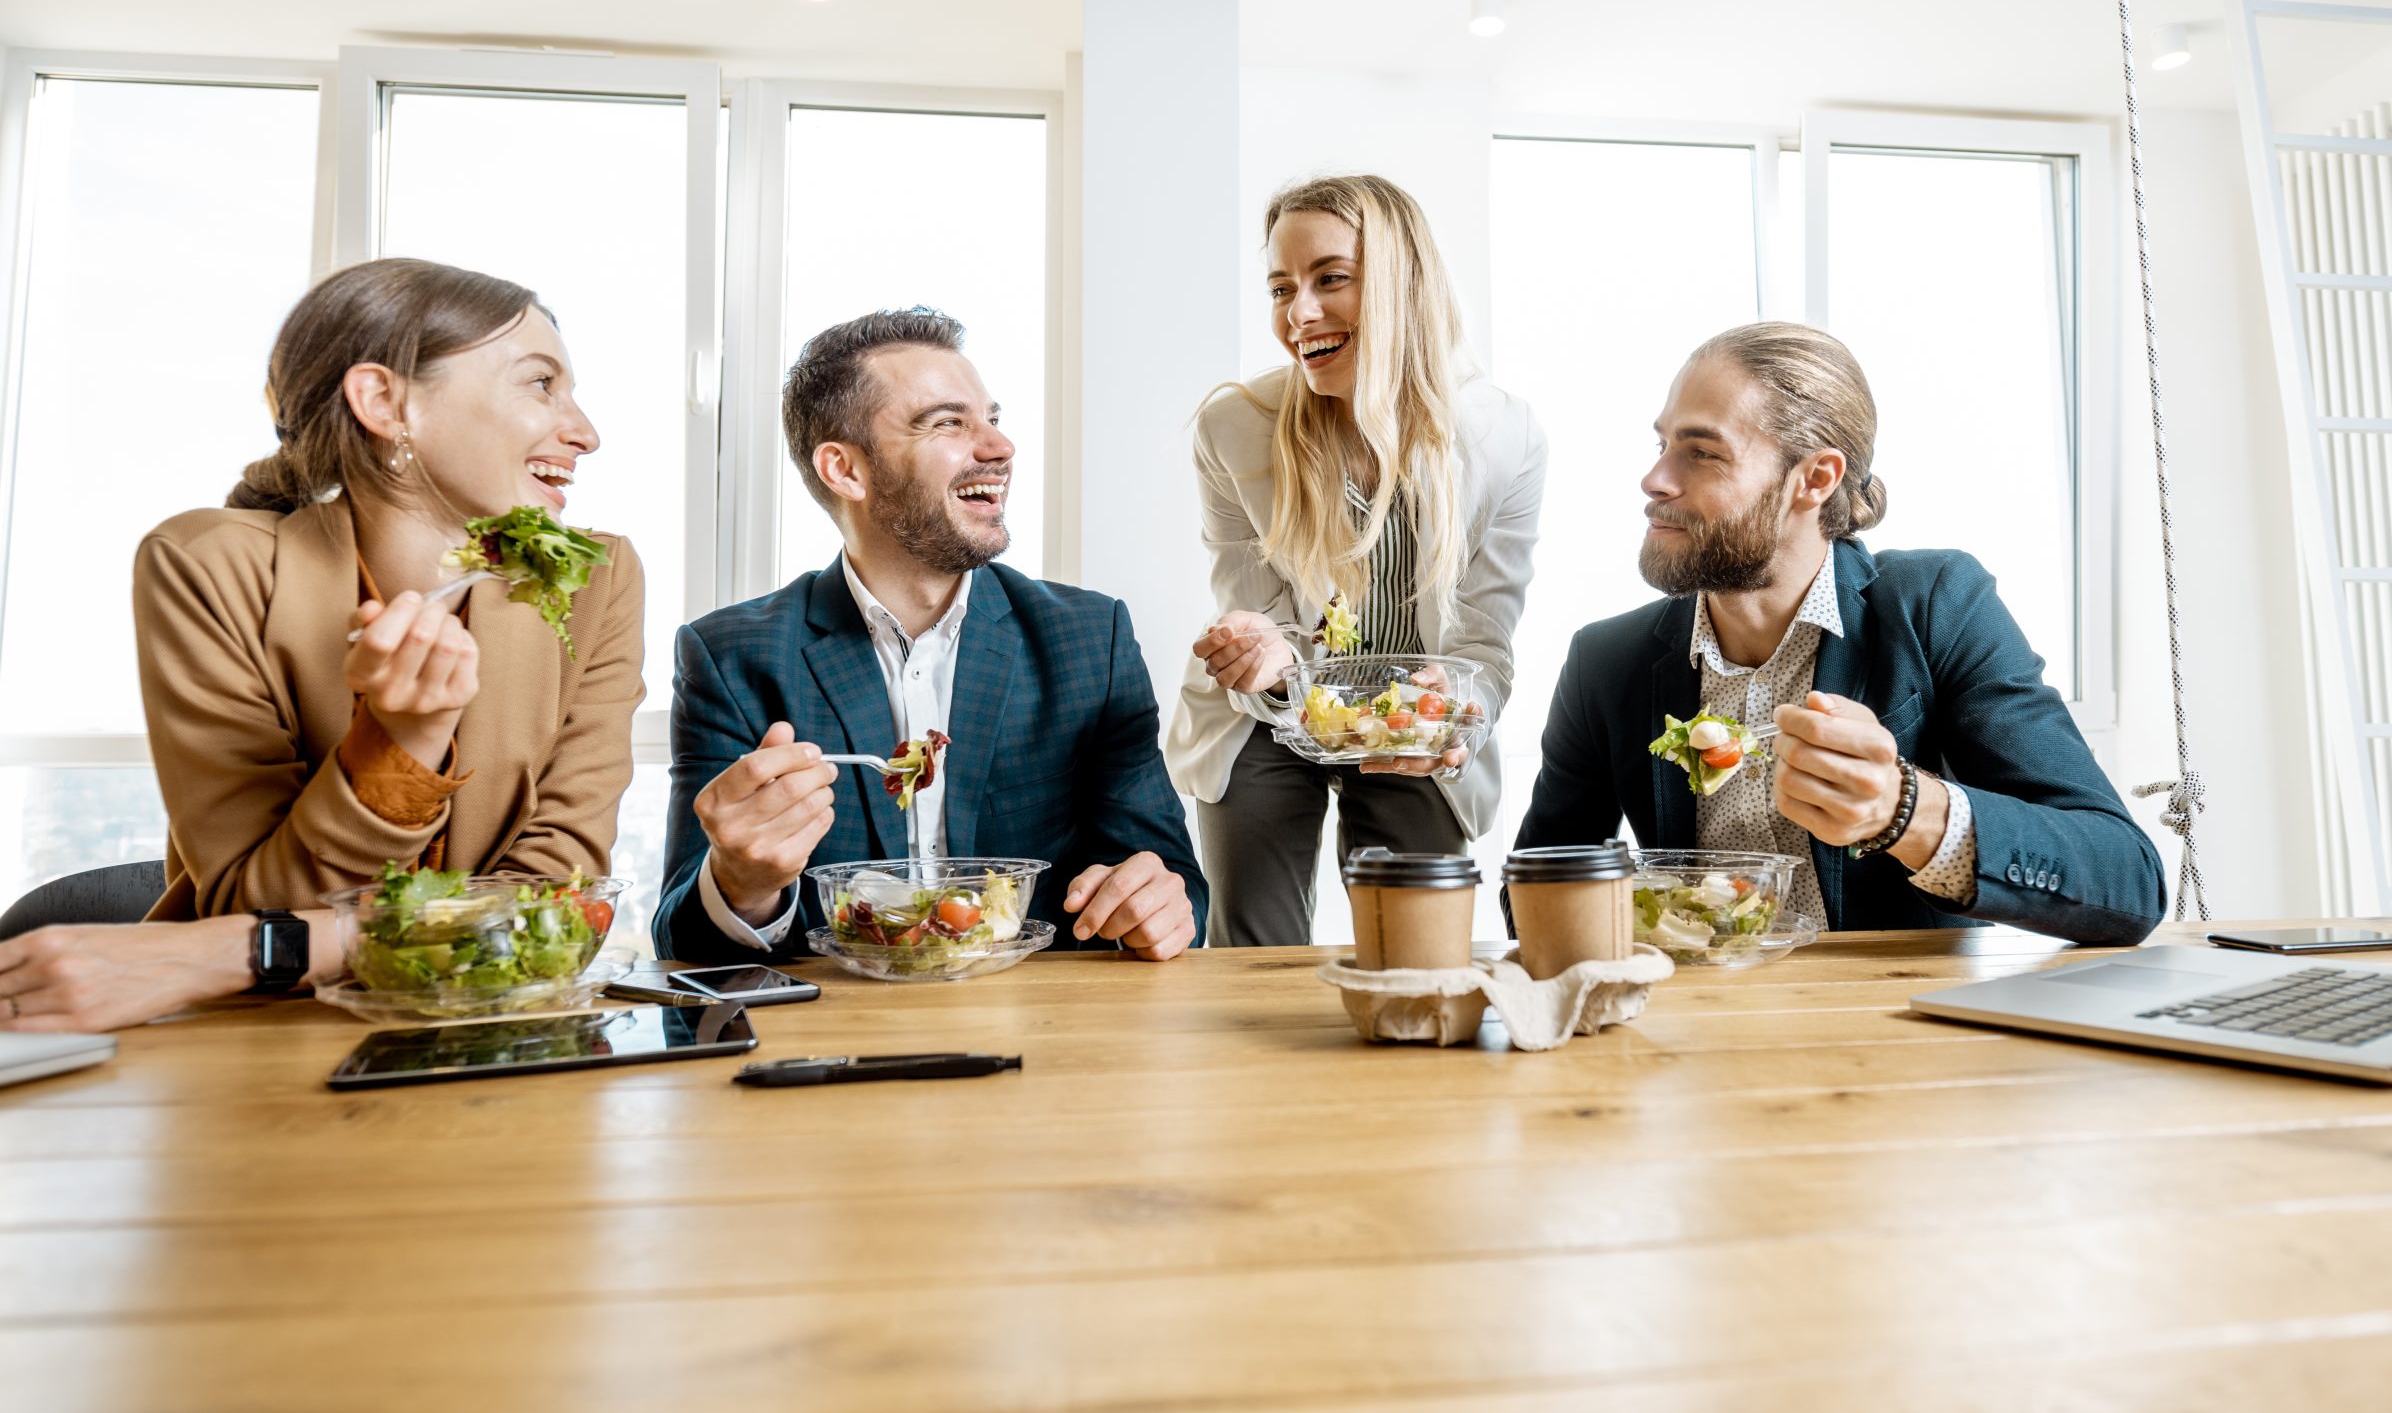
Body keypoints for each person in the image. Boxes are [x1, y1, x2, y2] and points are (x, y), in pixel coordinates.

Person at [0, 258, 644, 1033]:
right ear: (384, 400)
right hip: (257, 1044)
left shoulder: (595, 580)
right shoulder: (208, 563)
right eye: (541, 384)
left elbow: (557, 910)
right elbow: (257, 901)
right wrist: (397, 747)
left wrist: (226, 949)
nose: (585, 432)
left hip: (499, 1037)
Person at [1513, 320, 2163, 944]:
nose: (1655, 480)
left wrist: (1906, 811)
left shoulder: (1937, 606)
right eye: (1662, 445)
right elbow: (1534, 892)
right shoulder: (1606, 661)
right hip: (1695, 1036)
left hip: (1894, 1034)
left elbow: (2127, 880)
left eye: (1702, 453)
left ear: (1815, 479)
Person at [653, 307, 1205, 963]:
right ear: (846, 470)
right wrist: (743, 885)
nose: (1000, 447)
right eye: (949, 422)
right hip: (835, 1044)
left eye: (993, 418)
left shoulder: (1090, 637)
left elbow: (1171, 883)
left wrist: (1159, 905)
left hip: (1046, 1035)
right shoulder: (729, 658)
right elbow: (682, 937)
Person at [1171, 175, 1546, 946]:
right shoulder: (1233, 428)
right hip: (1265, 716)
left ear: (1403, 286)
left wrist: (1455, 697)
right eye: (1281, 288)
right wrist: (1268, 658)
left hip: (1410, 723)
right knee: (1253, 947)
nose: (1298, 315)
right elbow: (1260, 613)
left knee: (1415, 943)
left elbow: (1483, 646)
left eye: (1331, 278)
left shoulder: (1506, 439)